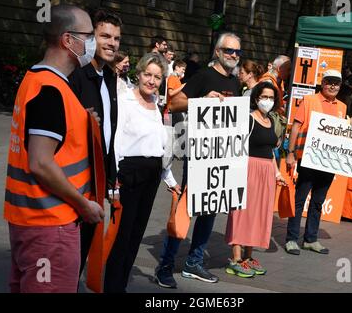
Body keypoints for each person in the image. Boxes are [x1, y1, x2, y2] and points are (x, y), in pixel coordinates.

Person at [4, 4, 104, 293]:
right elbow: (41, 162)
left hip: (30, 221)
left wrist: (84, 123)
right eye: (89, 35)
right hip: (51, 225)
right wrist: (84, 204)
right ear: (68, 40)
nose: (92, 43)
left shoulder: (37, 80)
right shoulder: (51, 90)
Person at [154, 32, 242, 288]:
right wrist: (202, 100)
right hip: (198, 156)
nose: (233, 56)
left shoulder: (234, 82)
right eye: (229, 51)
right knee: (186, 209)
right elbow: (175, 101)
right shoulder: (204, 76)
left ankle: (194, 262)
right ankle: (165, 266)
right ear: (217, 51)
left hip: (221, 157)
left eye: (237, 52)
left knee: (210, 209)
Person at [103, 53, 181, 293]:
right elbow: (115, 141)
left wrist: (169, 179)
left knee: (136, 235)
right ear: (138, 73)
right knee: (121, 235)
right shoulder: (125, 100)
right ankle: (111, 286)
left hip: (151, 176)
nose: (151, 80)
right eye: (148, 74)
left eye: (157, 77)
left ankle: (121, 285)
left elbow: (161, 144)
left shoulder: (158, 105)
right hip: (128, 175)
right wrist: (112, 180)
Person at [68, 8, 122, 278]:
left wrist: (112, 180)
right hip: (76, 183)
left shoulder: (112, 77)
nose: (112, 43)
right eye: (105, 36)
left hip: (99, 182)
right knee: (69, 256)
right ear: (91, 38)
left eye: (116, 38)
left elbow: (110, 133)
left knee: (83, 251)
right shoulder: (77, 75)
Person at [285, 69, 352, 255]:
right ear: (322, 83)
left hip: (328, 162)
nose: (333, 86)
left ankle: (310, 239)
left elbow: (342, 133)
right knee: (300, 199)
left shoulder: (342, 107)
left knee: (318, 201)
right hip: (308, 159)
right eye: (329, 82)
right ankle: (291, 239)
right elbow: (296, 126)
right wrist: (291, 152)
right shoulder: (309, 100)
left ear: (340, 86)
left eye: (337, 83)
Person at [225, 82, 286, 278]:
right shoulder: (248, 120)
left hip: (266, 171)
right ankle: (235, 258)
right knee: (242, 212)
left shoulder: (270, 121)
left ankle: (248, 256)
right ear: (256, 98)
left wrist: (277, 173)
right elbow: (234, 146)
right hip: (248, 169)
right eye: (264, 97)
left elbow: (270, 152)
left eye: (271, 97)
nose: (267, 101)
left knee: (259, 213)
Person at [164, 60, 187, 125]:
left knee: (171, 131)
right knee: (173, 131)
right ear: (177, 67)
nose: (183, 71)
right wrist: (182, 86)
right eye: (183, 69)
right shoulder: (172, 78)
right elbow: (170, 93)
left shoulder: (176, 78)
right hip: (171, 111)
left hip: (173, 110)